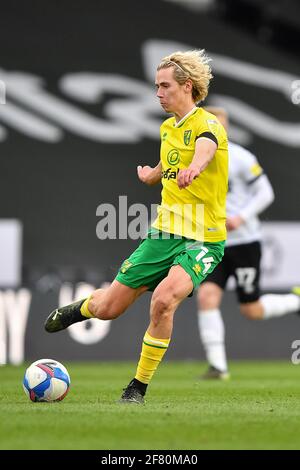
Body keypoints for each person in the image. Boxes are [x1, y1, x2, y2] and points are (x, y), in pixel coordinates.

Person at [45, 50, 228, 403]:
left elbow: (204, 149)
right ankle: (78, 309)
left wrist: (198, 169)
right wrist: (154, 175)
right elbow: (171, 160)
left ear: (186, 86)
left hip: (203, 239)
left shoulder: (209, 124)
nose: (157, 93)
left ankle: (137, 388)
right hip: (163, 234)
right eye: (156, 86)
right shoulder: (167, 127)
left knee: (163, 301)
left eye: (164, 86)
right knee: (108, 309)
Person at [197, 107, 300, 380]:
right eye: (210, 127)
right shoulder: (193, 159)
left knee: (251, 310)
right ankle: (218, 367)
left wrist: (242, 217)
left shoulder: (241, 157)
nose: (216, 133)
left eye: (220, 127)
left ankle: (296, 302)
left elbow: (266, 192)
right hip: (212, 242)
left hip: (244, 243)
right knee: (207, 296)